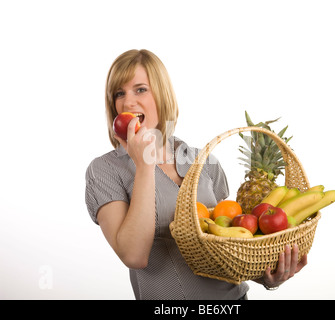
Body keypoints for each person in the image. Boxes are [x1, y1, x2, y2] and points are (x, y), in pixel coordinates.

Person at [85, 49, 307, 300]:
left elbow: (228, 249)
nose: (127, 102)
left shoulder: (206, 162)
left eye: (140, 89)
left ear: (161, 94)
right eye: (119, 93)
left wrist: (266, 277)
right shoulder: (105, 170)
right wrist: (144, 165)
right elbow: (134, 256)